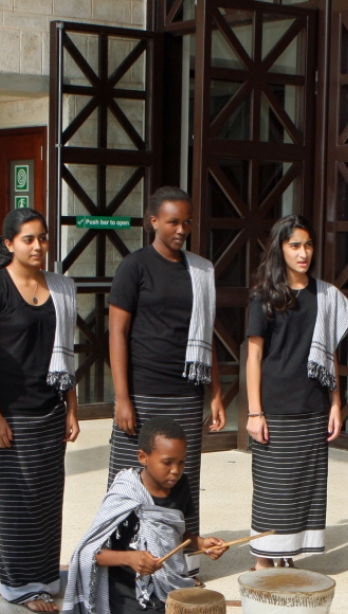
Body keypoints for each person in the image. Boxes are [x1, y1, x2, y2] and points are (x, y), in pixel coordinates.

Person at [60, 417, 229, 614]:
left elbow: (175, 536)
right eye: (167, 462)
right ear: (143, 457)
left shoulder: (181, 486)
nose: (175, 471)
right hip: (133, 601)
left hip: (171, 592)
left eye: (181, 462)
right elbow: (88, 553)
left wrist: (201, 544)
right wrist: (130, 558)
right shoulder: (126, 493)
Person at [0, 208, 80, 613]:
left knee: (48, 498)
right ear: (8, 244)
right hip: (12, 412)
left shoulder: (61, 289)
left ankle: (44, 576)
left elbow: (68, 355)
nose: (38, 246)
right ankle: (19, 585)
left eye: (43, 238)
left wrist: (71, 407)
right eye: (29, 239)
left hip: (49, 407)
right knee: (17, 499)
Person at [107, 186, 226, 554]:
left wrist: (217, 393)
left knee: (181, 478)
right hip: (143, 391)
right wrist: (123, 398)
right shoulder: (135, 266)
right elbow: (117, 332)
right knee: (131, 479)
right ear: (153, 221)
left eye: (187, 222)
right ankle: (125, 559)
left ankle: (179, 559)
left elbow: (207, 337)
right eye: (173, 221)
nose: (181, 229)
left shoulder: (201, 271)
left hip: (186, 392)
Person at [245, 215, 348, 568]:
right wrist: (254, 411)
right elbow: (254, 355)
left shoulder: (325, 295)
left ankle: (286, 553)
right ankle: (265, 556)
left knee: (303, 486)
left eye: (308, 245)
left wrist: (336, 403)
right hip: (275, 405)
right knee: (272, 486)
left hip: (312, 404)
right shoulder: (265, 295)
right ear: (280, 249)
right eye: (295, 246)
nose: (303, 253)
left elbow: (329, 356)